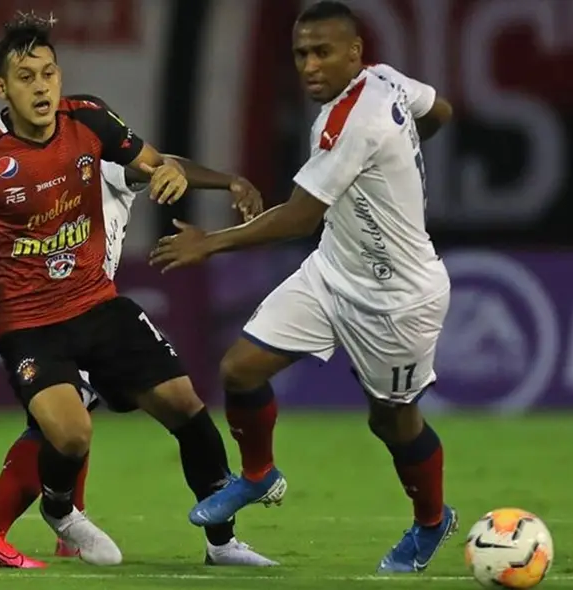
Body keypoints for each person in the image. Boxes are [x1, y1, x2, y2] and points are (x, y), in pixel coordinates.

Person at [0, 12, 271, 567]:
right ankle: (58, 510)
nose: (41, 87)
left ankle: (222, 544)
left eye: (48, 73)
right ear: (2, 88)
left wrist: (168, 172)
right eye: (25, 77)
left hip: (96, 304)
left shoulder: (90, 122)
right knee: (71, 433)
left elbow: (153, 162)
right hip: (27, 324)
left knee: (187, 407)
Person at [148, 0, 456, 574]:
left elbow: (298, 217)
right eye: (300, 54)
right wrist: (401, 157)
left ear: (354, 53)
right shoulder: (385, 79)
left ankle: (432, 520)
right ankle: (259, 474)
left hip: (397, 298)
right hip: (333, 269)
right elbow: (439, 109)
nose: (310, 66)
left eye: (323, 52)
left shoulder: (352, 122)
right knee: (240, 369)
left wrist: (209, 243)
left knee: (392, 422)